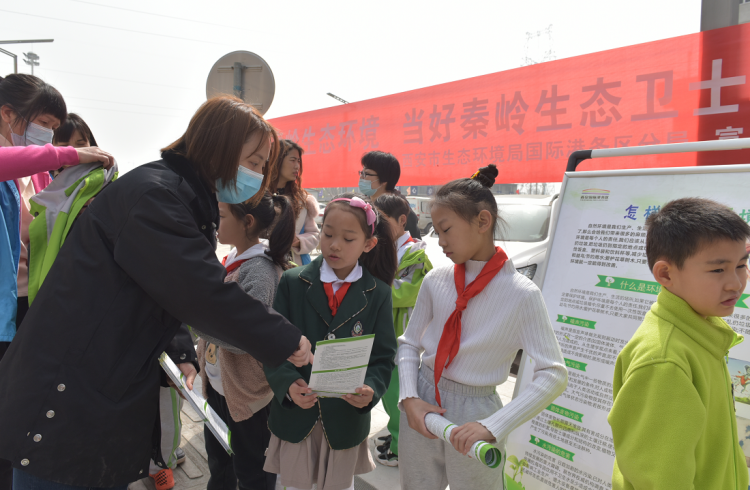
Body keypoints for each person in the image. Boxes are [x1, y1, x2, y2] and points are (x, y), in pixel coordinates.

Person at [0, 95, 313, 490]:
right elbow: (199, 291)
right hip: (65, 401)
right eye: (253, 163)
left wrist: (183, 350)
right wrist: (287, 339)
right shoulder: (157, 197)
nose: (256, 175)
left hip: (91, 392)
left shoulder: (175, 196)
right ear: (221, 150)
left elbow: (166, 287)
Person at [397, 165, 568, 490]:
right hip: (422, 398)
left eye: (445, 229)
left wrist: (494, 425)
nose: (440, 241)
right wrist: (408, 397)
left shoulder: (521, 294)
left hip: (476, 412)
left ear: (483, 221)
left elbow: (554, 373)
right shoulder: (437, 280)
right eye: (436, 229)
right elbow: (408, 344)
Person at [0, 75, 112, 490]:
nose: (48, 136)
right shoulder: (18, 163)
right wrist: (67, 152)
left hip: (22, 306)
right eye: (43, 123)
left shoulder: (36, 175)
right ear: (9, 114)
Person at [608, 198, 750, 490]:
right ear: (666, 274)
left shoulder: (701, 333)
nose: (736, 283)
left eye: (742, 265)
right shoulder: (665, 361)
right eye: (718, 270)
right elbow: (660, 480)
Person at [263, 193, 398, 490]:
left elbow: (383, 357)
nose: (335, 244)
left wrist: (371, 389)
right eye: (328, 233)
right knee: (293, 486)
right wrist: (287, 384)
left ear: (368, 244)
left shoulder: (378, 294)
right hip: (297, 412)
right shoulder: (293, 282)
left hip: (345, 419)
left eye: (348, 239)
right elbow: (273, 346)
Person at [194, 191, 296, 490]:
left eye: (222, 215)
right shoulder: (236, 259)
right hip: (220, 386)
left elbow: (249, 339)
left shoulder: (261, 271)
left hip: (247, 396)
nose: (215, 221)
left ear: (247, 222)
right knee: (220, 461)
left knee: (252, 472)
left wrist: (196, 321)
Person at [372, 193, 433, 467]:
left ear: (402, 220)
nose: (377, 224)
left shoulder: (415, 254)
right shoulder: (382, 248)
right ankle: (396, 438)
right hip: (383, 334)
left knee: (398, 396)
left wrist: (370, 288)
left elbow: (405, 293)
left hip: (402, 340)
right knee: (387, 394)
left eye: (382, 220)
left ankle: (400, 449)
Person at [270, 139, 319, 266]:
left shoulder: (301, 199)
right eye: (292, 160)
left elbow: (314, 234)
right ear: (277, 160)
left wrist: (298, 241)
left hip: (295, 266)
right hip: (264, 262)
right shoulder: (259, 195)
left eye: (298, 161)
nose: (297, 166)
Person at [358, 151, 421, 239]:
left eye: (366, 174)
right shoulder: (362, 203)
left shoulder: (400, 207)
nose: (361, 177)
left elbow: (413, 243)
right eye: (361, 173)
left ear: (384, 180)